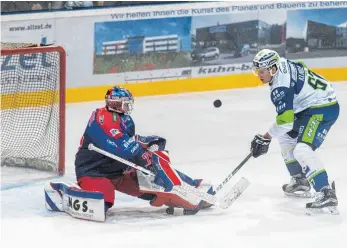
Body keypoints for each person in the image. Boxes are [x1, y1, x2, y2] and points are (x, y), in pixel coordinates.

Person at [74, 86, 212, 215]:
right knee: (103, 200)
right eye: (124, 103)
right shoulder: (102, 118)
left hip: (118, 172)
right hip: (93, 172)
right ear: (115, 103)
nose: (127, 107)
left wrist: (145, 144)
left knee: (154, 189)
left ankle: (190, 189)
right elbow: (124, 150)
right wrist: (143, 152)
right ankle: (78, 190)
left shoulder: (124, 119)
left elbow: (128, 144)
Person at [249, 49, 339, 214]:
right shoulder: (282, 62)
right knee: (284, 136)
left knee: (302, 149)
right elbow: (302, 66)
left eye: (261, 71)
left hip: (322, 108)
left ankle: (326, 193)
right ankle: (300, 180)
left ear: (273, 69)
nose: (259, 75)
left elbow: (285, 122)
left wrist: (265, 137)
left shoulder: (280, 88)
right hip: (311, 106)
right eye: (257, 71)